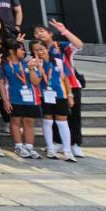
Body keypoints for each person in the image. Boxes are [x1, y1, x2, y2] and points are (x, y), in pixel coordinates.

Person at [35, 19, 86, 158]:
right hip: (50, 89)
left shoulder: (60, 46)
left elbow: (79, 45)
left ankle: (75, 144)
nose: (39, 34)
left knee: (74, 116)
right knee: (53, 116)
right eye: (36, 33)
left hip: (70, 86)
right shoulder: (38, 51)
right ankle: (57, 142)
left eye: (41, 31)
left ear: (50, 33)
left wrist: (64, 31)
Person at [35, 41, 77, 162]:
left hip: (60, 95)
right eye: (36, 50)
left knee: (62, 121)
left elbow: (66, 79)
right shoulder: (35, 64)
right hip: (44, 95)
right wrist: (39, 68)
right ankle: (50, 148)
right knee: (47, 121)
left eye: (41, 49)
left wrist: (70, 95)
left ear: (47, 49)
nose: (39, 52)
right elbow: (36, 81)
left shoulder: (58, 61)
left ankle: (67, 151)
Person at [1, 41, 42, 159]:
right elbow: (1, 84)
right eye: (21, 49)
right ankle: (18, 146)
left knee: (29, 122)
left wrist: (32, 69)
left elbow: (36, 81)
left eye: (24, 49)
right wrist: (5, 100)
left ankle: (29, 147)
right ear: (11, 51)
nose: (24, 52)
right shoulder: (4, 65)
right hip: (14, 98)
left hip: (31, 98)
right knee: (15, 121)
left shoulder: (28, 64)